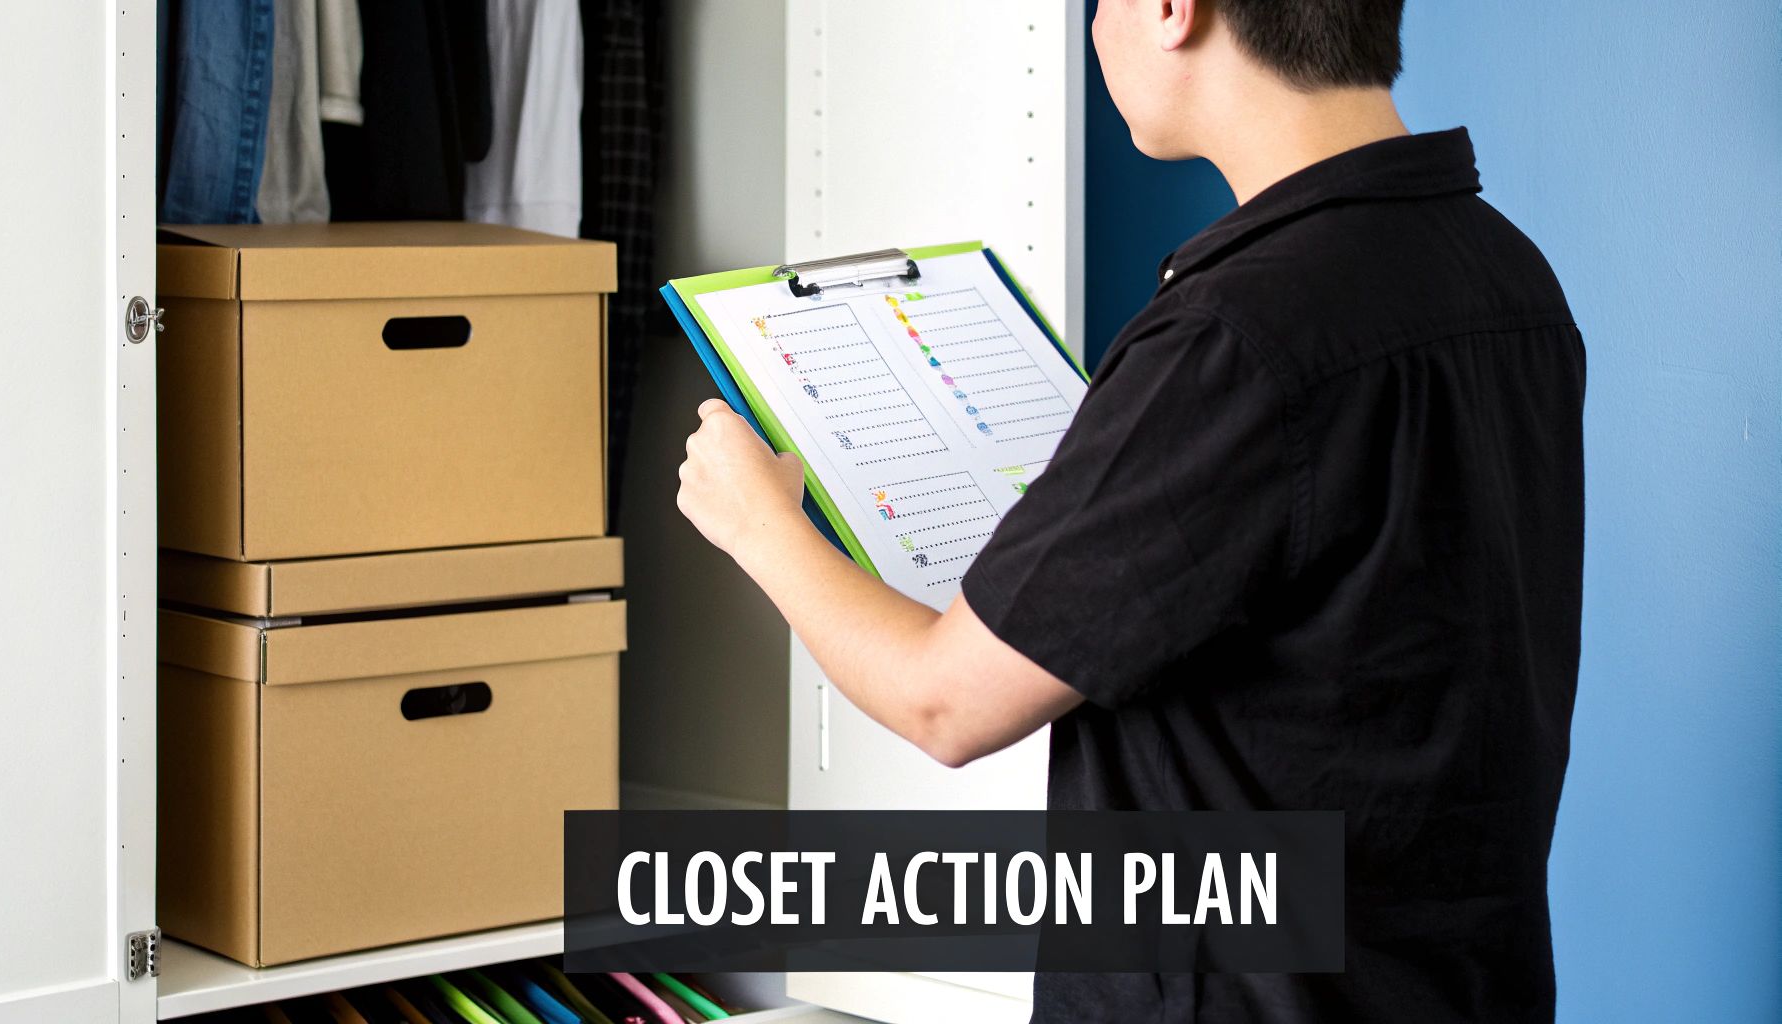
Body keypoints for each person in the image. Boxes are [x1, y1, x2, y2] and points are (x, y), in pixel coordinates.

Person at [676, 0, 1585, 1019]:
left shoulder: (1235, 334)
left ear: (1169, 8)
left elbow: (944, 703)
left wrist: (759, 525)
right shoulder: (1508, 276)